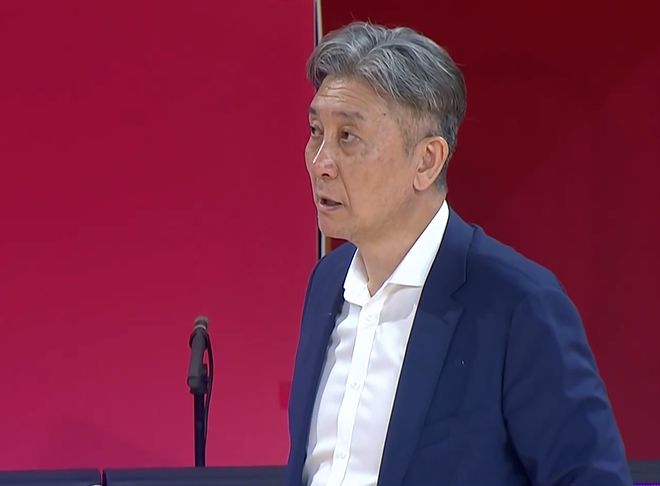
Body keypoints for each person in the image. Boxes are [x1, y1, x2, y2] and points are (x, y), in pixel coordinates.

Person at [286, 21, 631, 486]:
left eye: (348, 136)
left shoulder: (518, 304)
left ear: (426, 161)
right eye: (316, 131)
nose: (320, 162)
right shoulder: (326, 283)